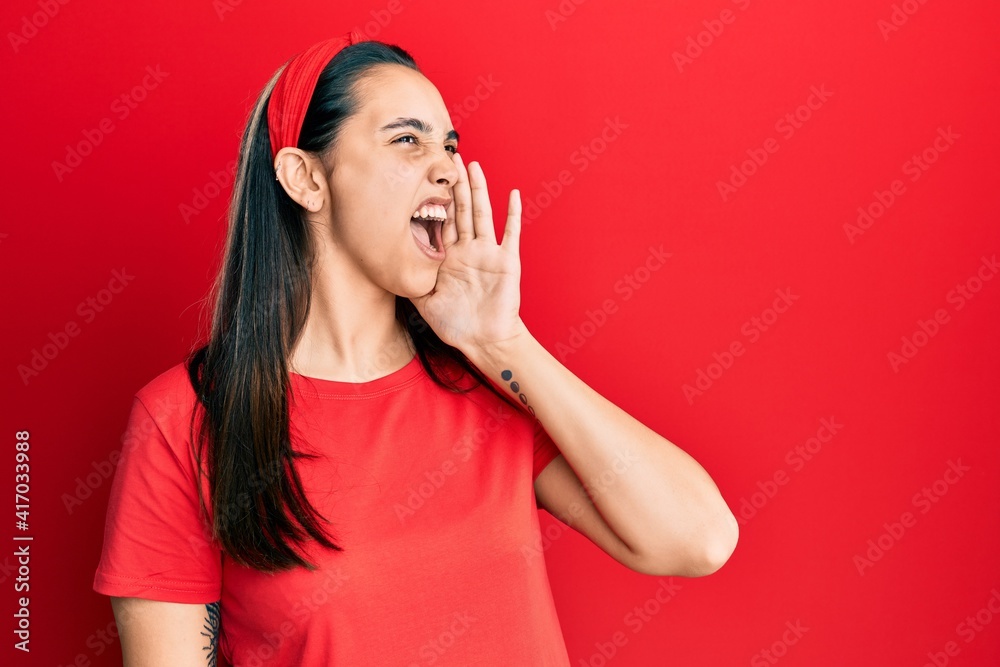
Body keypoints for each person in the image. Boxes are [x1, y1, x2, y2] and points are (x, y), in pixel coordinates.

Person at [92, 30, 739, 666]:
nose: (449, 169)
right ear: (305, 179)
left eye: (451, 145)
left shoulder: (486, 380)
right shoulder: (184, 420)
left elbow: (697, 539)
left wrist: (500, 339)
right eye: (408, 140)